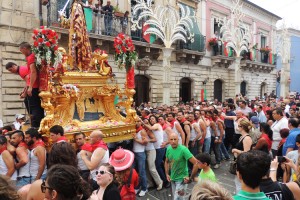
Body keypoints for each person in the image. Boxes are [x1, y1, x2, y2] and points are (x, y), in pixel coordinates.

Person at [164, 132, 198, 200]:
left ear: (178, 139)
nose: (173, 141)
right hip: (172, 178)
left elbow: (196, 163)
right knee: (178, 198)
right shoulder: (168, 149)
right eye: (171, 139)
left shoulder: (183, 150)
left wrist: (191, 178)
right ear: (169, 140)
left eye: (175, 139)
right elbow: (166, 161)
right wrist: (167, 174)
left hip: (182, 179)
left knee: (177, 198)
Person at [19, 42, 44, 128]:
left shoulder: (31, 57)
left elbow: (33, 72)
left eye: (21, 50)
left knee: (34, 106)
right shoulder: (30, 57)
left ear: (25, 48)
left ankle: (36, 124)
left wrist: (30, 87)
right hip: (33, 85)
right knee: (28, 102)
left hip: (34, 85)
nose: (21, 52)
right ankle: (35, 122)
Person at [231, 119, 253, 193]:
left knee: (240, 182)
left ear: (242, 127)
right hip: (239, 161)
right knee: (237, 181)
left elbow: (246, 153)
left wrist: (236, 150)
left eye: (239, 126)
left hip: (243, 163)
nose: (237, 127)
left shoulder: (247, 138)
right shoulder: (242, 137)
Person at [132, 120, 148, 196]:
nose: (136, 123)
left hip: (140, 153)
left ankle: (144, 188)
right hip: (134, 153)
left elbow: (145, 142)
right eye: (135, 121)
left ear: (141, 122)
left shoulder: (142, 131)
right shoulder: (134, 130)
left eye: (138, 121)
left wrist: (136, 139)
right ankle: (138, 186)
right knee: (136, 172)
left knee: (142, 172)